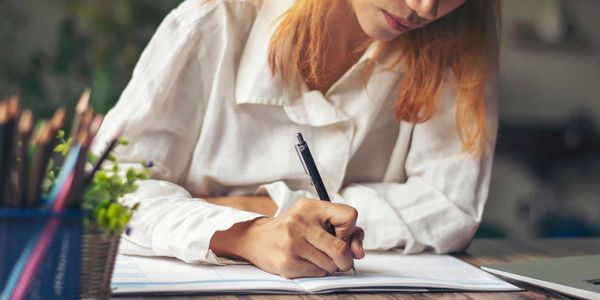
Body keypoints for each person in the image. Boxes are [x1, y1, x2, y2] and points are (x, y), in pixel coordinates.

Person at [94, 0, 500, 279]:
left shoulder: (456, 42)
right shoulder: (214, 21)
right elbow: (107, 188)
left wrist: (263, 207)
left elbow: (450, 207)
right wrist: (245, 234)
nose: (426, 7)